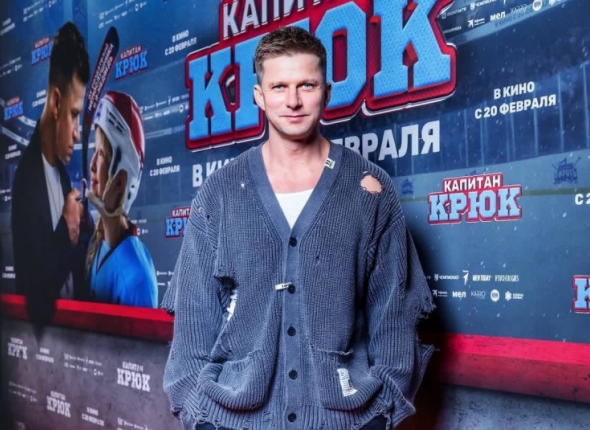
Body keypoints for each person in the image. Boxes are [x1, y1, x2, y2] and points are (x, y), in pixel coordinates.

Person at [162, 26, 434, 430]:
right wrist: (200, 418)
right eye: (279, 87)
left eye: (306, 85)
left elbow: (394, 315)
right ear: (259, 96)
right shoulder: (220, 192)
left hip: (345, 420)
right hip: (234, 421)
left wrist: (381, 416)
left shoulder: (369, 189)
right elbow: (194, 321)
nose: (293, 101)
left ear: (327, 92)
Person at [11, 22, 91, 325]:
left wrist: (86, 233)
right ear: (56, 103)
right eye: (74, 115)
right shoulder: (25, 181)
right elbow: (35, 295)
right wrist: (67, 231)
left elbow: (71, 274)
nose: (77, 134)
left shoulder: (63, 177)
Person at [85, 91, 157, 308]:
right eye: (94, 151)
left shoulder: (137, 279)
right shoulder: (98, 244)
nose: (92, 165)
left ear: (119, 182)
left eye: (101, 154)